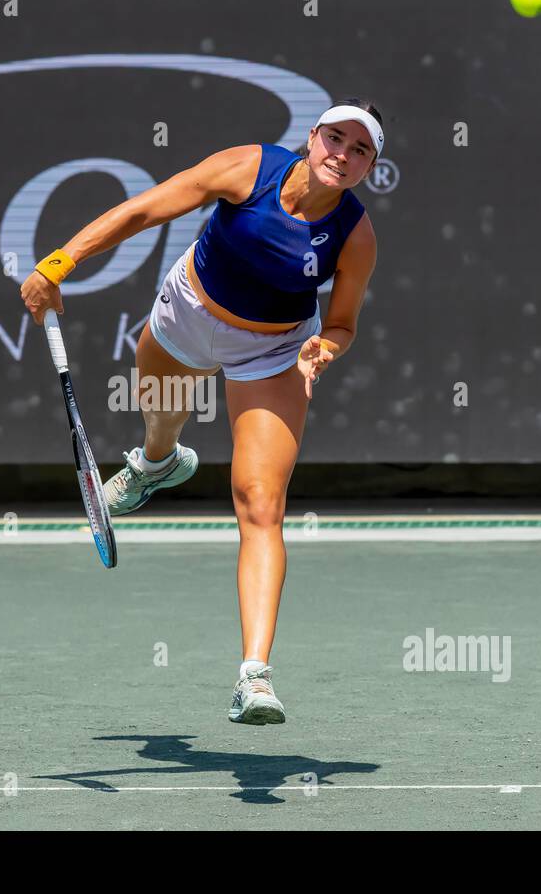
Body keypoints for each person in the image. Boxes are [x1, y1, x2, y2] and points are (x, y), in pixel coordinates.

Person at [20, 98, 382, 724]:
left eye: (360, 151)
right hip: (185, 315)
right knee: (161, 416)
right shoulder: (249, 167)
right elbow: (143, 209)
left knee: (260, 503)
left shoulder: (355, 235)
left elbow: (344, 322)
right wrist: (60, 262)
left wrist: (326, 345)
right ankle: (157, 463)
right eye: (335, 139)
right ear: (312, 136)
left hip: (273, 350)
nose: (342, 156)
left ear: (371, 166)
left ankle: (255, 675)